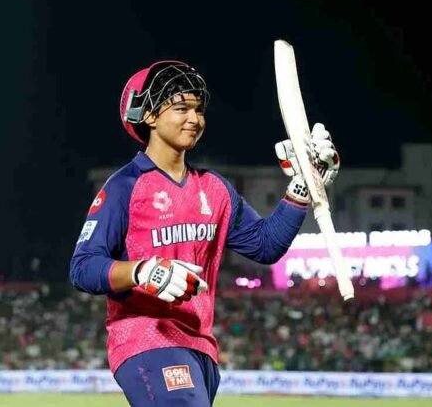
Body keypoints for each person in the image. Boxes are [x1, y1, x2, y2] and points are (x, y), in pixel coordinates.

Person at [69, 60, 340, 406]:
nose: (194, 119)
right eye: (181, 108)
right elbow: (83, 267)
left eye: (198, 109)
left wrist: (302, 186)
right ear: (148, 115)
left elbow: (266, 245)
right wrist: (142, 271)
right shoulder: (124, 186)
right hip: (146, 338)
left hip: (201, 347)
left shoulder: (214, 188)